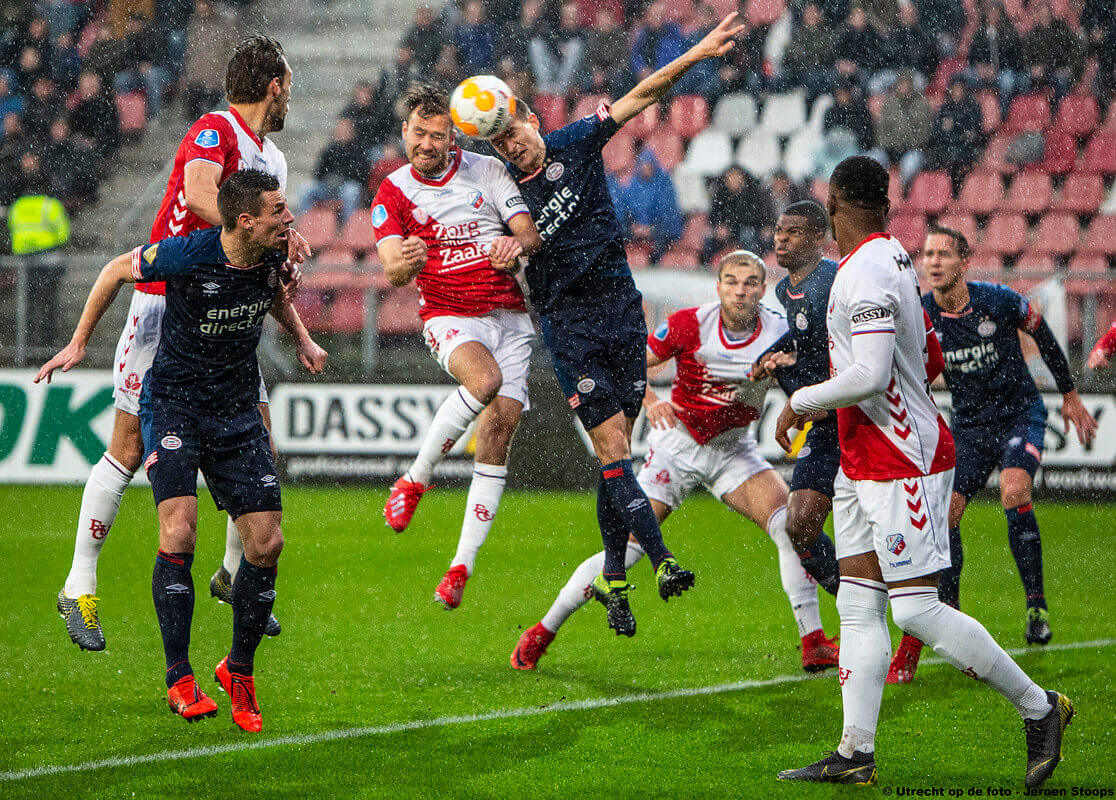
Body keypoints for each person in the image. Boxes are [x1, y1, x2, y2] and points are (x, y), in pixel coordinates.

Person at [774, 156, 1074, 788]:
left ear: (833, 208)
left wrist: (799, 402)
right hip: (864, 456)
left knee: (913, 612)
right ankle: (856, 751)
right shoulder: (891, 262)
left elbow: (873, 374)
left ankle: (1040, 708)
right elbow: (929, 357)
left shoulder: (869, 271)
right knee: (858, 603)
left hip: (900, 459)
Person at [55, 35, 320, 652]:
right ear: (274, 84)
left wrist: (283, 252)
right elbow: (203, 196)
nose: (290, 94)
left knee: (257, 436)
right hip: (165, 303)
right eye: (288, 83)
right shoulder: (214, 130)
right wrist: (273, 238)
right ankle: (79, 583)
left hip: (225, 312)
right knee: (125, 449)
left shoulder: (271, 162)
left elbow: (260, 229)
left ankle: (231, 573)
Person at [38, 169, 324, 732]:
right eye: (278, 210)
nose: (288, 218)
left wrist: (304, 337)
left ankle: (238, 670)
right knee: (180, 532)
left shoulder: (270, 256)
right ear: (245, 220)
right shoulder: (189, 254)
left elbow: (272, 297)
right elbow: (117, 269)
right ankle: (178, 678)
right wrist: (78, 342)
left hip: (238, 412)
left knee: (267, 544)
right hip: (176, 407)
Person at [488, 11, 745, 635]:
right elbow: (489, 251)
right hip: (570, 330)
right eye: (498, 144)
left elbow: (643, 95)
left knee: (618, 458)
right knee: (611, 452)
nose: (511, 147)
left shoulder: (576, 142)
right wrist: (504, 251)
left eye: (514, 134)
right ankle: (661, 561)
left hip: (622, 316)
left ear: (530, 118)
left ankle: (616, 578)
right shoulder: (503, 195)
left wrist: (701, 52)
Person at [512, 252, 839, 671]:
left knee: (787, 528)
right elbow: (629, 363)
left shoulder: (780, 332)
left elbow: (811, 378)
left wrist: (786, 378)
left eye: (751, 282)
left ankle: (812, 641)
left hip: (735, 451)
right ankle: (543, 629)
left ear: (762, 288)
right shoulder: (689, 324)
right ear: (718, 287)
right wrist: (648, 400)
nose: (741, 289)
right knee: (626, 553)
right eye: (732, 281)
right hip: (677, 447)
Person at [887, 226, 1098, 683]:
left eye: (944, 253)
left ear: (964, 261)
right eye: (928, 254)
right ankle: (954, 617)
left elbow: (1042, 335)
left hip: (1020, 414)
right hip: (969, 427)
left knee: (1014, 489)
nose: (934, 261)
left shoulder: (998, 300)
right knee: (945, 517)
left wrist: (1070, 393)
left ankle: (1036, 604)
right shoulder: (921, 314)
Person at [373, 84, 543, 609]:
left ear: (454, 136)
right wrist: (411, 258)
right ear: (405, 131)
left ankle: (459, 568)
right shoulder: (392, 192)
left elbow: (528, 233)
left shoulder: (487, 171)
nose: (427, 143)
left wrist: (513, 245)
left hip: (510, 318)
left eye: (438, 135)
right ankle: (415, 480)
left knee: (496, 438)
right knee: (484, 383)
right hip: (449, 314)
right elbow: (393, 270)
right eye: (419, 133)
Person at [751, 202, 842, 597]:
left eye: (793, 232)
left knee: (880, 526)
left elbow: (853, 352)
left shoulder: (835, 281)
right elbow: (806, 345)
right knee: (799, 527)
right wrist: (773, 359)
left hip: (860, 420)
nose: (781, 238)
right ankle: (858, 601)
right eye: (778, 231)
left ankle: (917, 606)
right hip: (822, 425)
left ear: (818, 238)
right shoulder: (784, 290)